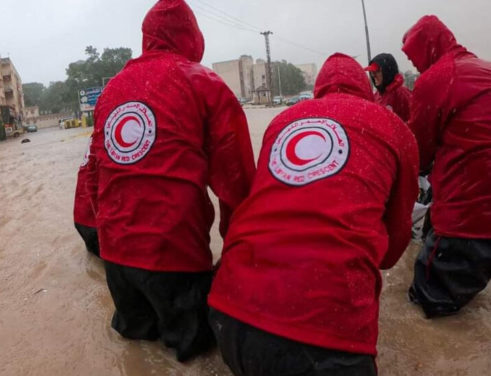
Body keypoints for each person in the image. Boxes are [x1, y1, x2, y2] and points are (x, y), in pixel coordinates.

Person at [207, 53, 419, 376]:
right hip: (327, 345)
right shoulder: (394, 128)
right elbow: (393, 247)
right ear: (363, 87)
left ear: (318, 88)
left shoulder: (281, 122)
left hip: (228, 316)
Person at [75, 0, 255, 361]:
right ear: (192, 36)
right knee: (196, 355)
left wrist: (111, 237)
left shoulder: (111, 90)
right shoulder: (204, 83)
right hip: (175, 259)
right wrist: (238, 255)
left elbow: (93, 178)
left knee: (137, 352)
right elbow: (238, 185)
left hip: (117, 262)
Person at [403, 15, 491, 318]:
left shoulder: (437, 78)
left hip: (466, 218)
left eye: (414, 57)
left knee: (428, 308)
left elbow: (418, 150)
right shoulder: (484, 69)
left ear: (426, 49)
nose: (415, 66)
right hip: (480, 213)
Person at [365, 53, 412, 121]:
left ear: (387, 71)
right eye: (372, 72)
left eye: (377, 71)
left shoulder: (401, 94)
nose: (373, 75)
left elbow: (413, 121)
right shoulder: (376, 95)